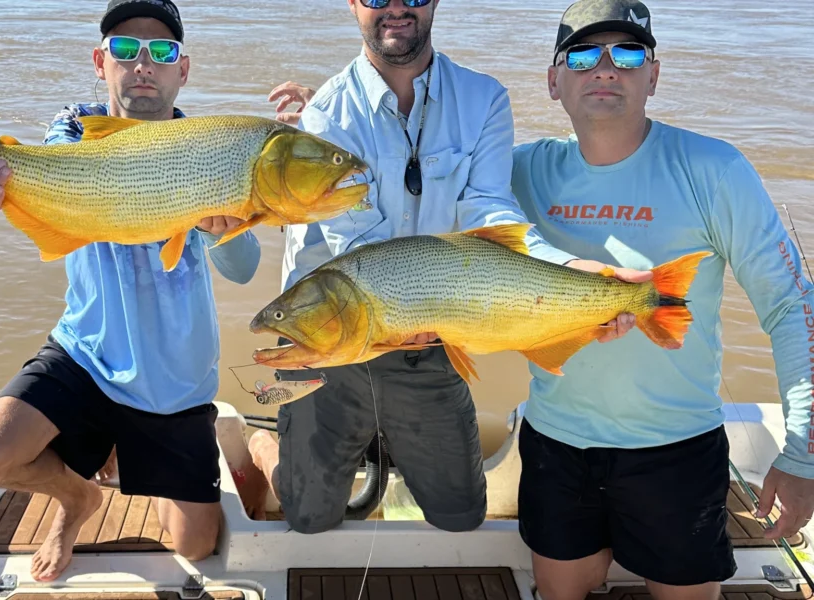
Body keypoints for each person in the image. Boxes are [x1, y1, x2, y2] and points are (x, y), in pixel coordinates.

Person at [243, 0, 648, 534]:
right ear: (352, 5)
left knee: (460, 517)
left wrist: (570, 268)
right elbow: (356, 241)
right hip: (329, 333)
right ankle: (266, 446)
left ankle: (393, 444)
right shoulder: (325, 114)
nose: (396, 9)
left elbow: (492, 213)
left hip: (432, 333)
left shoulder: (483, 99)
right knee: (308, 518)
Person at [507, 1, 814, 598]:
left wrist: (804, 453)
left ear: (653, 76)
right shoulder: (518, 172)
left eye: (626, 53)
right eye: (581, 54)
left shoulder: (714, 169)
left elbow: (792, 307)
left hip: (676, 450)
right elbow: (422, 186)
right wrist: (332, 126)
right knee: (560, 590)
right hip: (556, 444)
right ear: (553, 81)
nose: (605, 68)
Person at [0, 0, 261, 582]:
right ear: (101, 62)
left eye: (161, 51)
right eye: (125, 49)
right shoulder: (72, 130)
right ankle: (78, 500)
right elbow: (50, 170)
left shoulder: (214, 149)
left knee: (196, 546)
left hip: (175, 379)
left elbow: (245, 272)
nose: (142, 63)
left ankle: (155, 455)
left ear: (183, 70)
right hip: (87, 354)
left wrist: (226, 228)